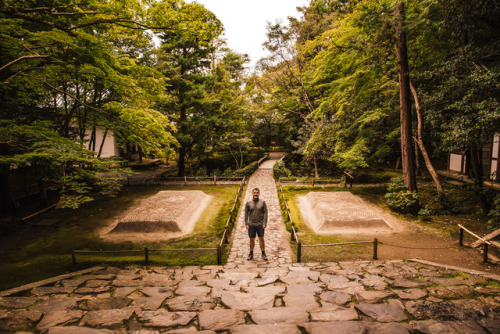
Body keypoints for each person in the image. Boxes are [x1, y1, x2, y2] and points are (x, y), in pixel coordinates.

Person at [244, 187, 268, 261]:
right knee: (251, 239)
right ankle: (251, 253)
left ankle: (263, 253)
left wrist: (264, 223)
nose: (255, 194)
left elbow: (265, 213)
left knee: (261, 239)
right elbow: (246, 213)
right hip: (251, 224)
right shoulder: (248, 202)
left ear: (259, 193)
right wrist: (246, 223)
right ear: (252, 193)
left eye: (257, 193)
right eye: (254, 192)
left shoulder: (263, 202)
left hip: (260, 224)